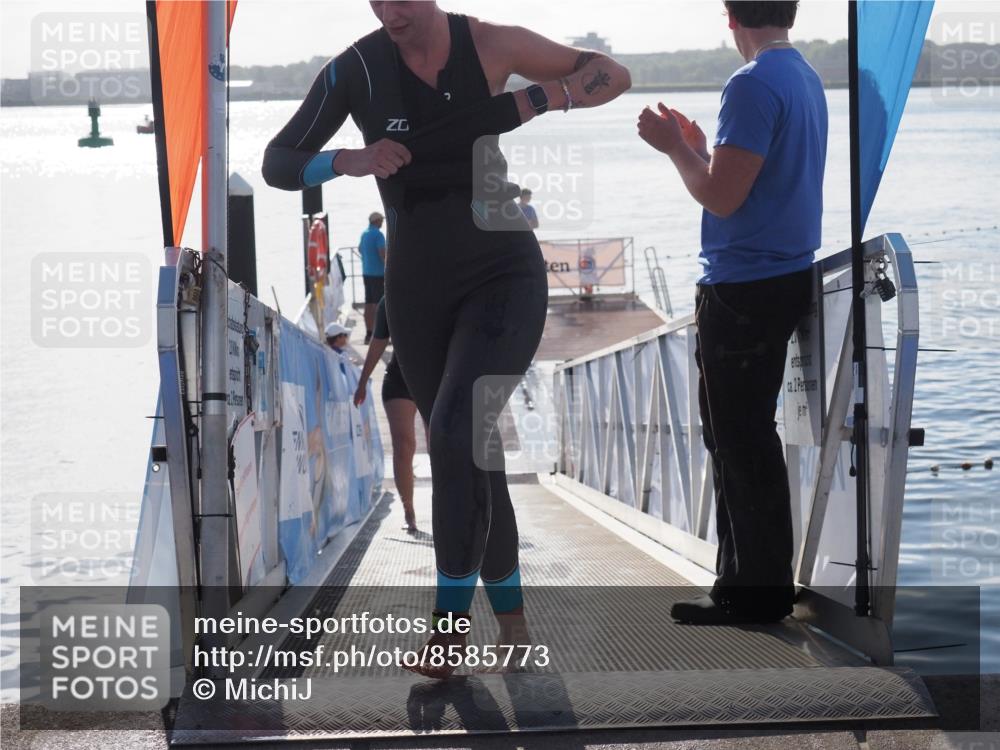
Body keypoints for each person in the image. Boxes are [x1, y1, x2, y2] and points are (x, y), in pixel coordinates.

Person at [263, 0, 630, 677]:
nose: (390, 11)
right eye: (377, 0)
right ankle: (513, 625)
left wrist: (551, 97)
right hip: (418, 292)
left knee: (458, 432)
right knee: (474, 454)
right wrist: (349, 158)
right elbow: (278, 163)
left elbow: (612, 73)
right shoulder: (356, 70)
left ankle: (449, 634)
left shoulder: (491, 44)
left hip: (502, 271)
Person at [637, 0, 826, 625]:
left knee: (738, 442)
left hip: (744, 286)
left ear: (729, 17)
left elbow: (721, 198)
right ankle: (749, 583)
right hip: (783, 274)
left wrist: (673, 148)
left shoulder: (751, 83)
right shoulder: (803, 76)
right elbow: (748, 179)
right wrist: (700, 148)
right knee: (744, 438)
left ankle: (754, 594)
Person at [354, 296, 425, 532]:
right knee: (404, 446)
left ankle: (446, 507)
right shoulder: (391, 297)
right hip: (399, 379)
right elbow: (378, 342)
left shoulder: (443, 285)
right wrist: (362, 382)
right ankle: (409, 511)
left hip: (436, 378)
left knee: (440, 446)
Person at [359, 212, 387, 344]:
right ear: (377, 221)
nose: (382, 222)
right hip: (378, 274)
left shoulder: (364, 234)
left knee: (368, 304)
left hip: (366, 272)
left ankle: (368, 333)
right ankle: (378, 334)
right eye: (381, 220)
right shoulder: (378, 234)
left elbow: (360, 249)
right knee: (378, 304)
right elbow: (382, 253)